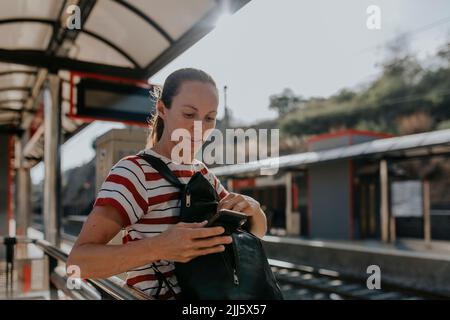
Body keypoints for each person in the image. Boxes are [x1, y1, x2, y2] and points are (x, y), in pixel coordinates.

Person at [67, 68, 268, 299]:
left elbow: (256, 234)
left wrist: (253, 208)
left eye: (209, 118)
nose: (200, 127)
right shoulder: (134, 172)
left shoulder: (203, 174)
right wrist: (160, 247)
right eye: (189, 114)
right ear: (162, 109)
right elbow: (78, 263)